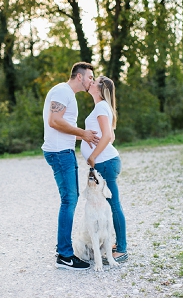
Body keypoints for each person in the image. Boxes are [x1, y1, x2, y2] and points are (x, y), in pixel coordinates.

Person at [43, 62, 100, 270]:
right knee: (69, 200)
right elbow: (54, 121)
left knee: (70, 199)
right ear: (79, 77)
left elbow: (60, 126)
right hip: (59, 154)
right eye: (90, 77)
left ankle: (63, 251)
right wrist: (82, 133)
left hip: (62, 151)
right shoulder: (62, 91)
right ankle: (65, 255)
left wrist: (83, 139)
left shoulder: (67, 94)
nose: (91, 81)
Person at [82, 75, 127, 263]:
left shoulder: (101, 107)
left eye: (96, 81)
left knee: (113, 204)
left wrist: (92, 156)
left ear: (102, 89)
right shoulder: (101, 107)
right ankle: (116, 243)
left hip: (105, 163)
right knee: (110, 205)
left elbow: (108, 135)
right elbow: (111, 135)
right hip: (107, 160)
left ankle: (122, 249)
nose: (91, 82)